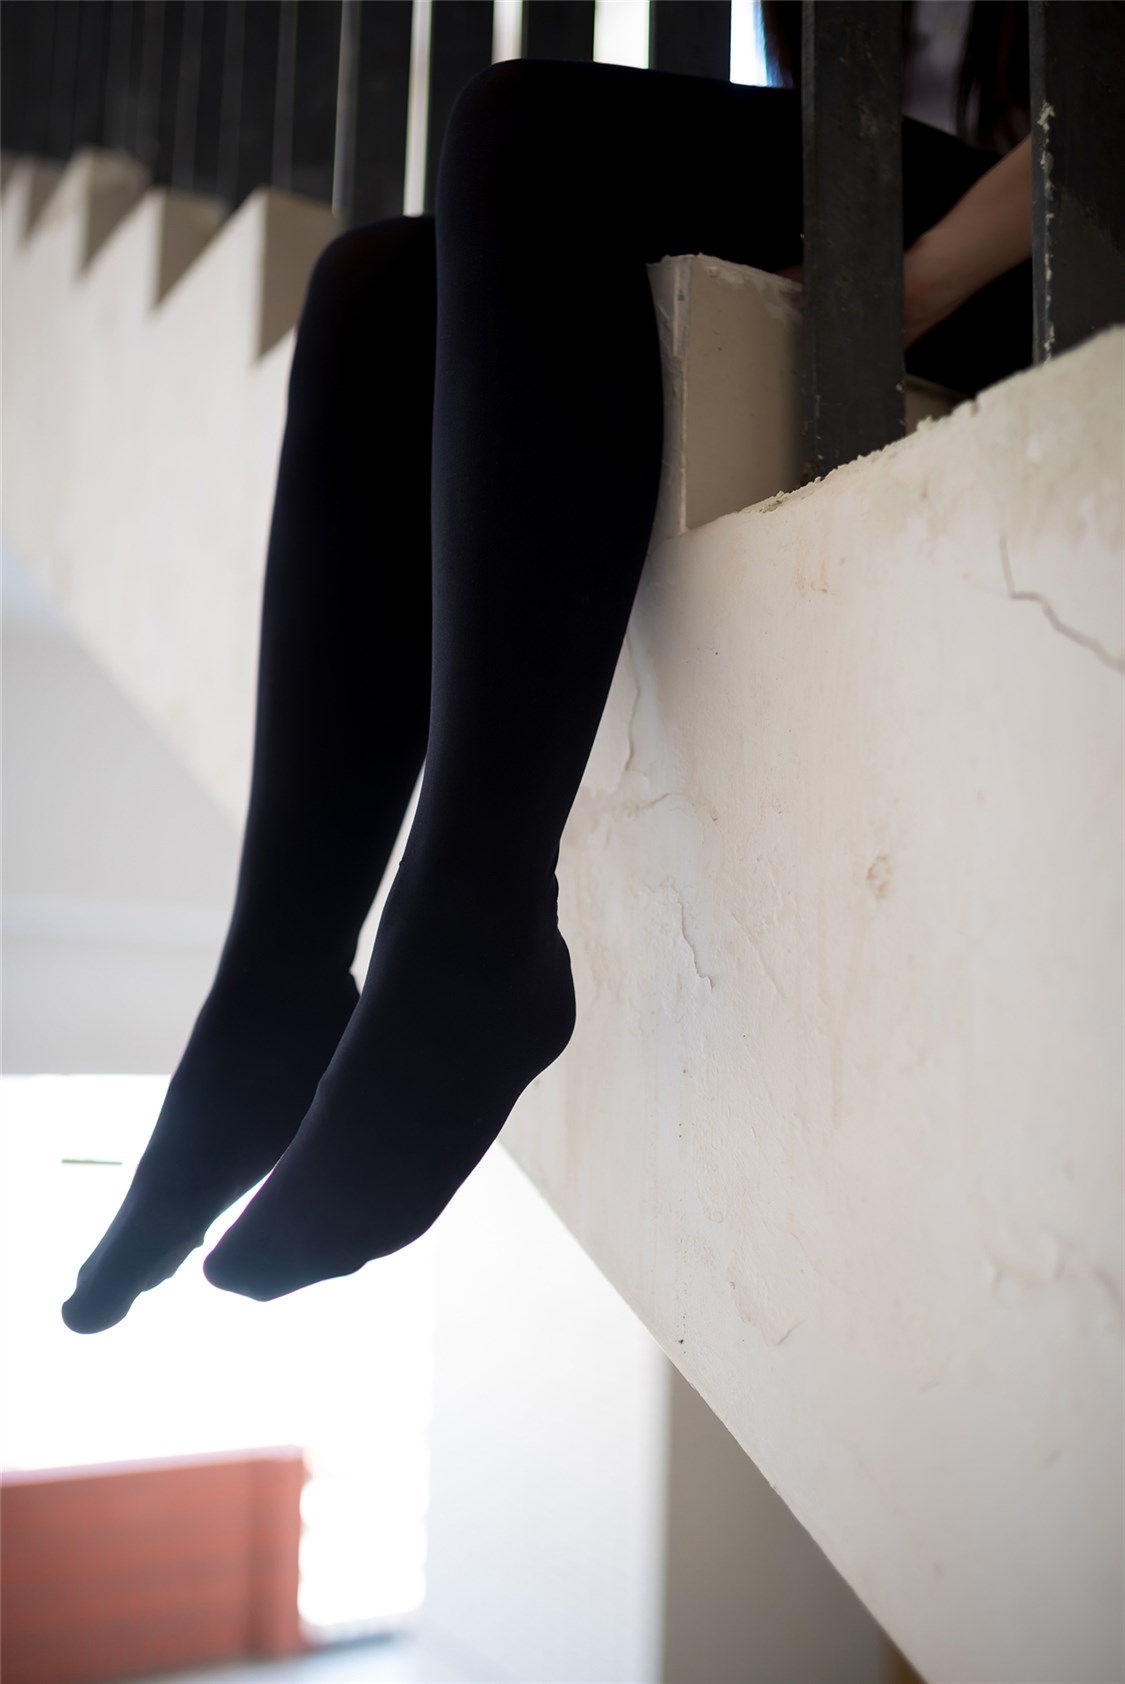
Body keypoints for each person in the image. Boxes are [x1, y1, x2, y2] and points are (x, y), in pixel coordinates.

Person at [62, 0, 1033, 1332]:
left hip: (1046, 240)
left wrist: (900, 285)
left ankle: (471, 918)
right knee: (372, 289)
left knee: (526, 133)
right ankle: (273, 990)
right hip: (929, 215)